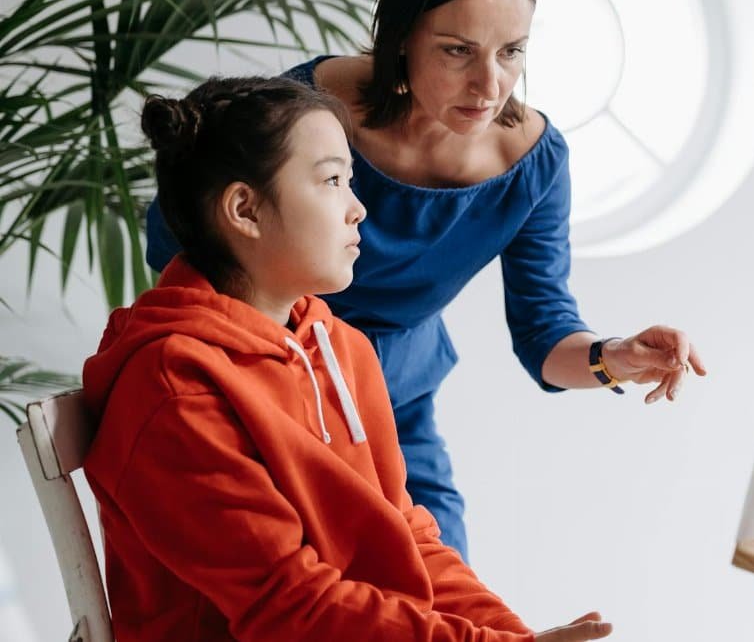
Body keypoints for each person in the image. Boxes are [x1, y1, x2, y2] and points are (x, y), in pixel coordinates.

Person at [144, 0, 707, 561]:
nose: (489, 85)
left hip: (397, 401)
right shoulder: (306, 114)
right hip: (268, 382)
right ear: (402, 37)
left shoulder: (535, 162)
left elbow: (544, 329)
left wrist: (611, 358)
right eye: (458, 51)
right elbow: (184, 245)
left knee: (443, 574)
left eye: (511, 52)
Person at [83, 76, 612, 641]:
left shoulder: (339, 347)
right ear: (245, 210)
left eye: (350, 181)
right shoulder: (176, 390)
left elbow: (409, 537)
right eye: (331, 180)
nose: (358, 210)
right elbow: (288, 607)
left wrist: (517, 636)